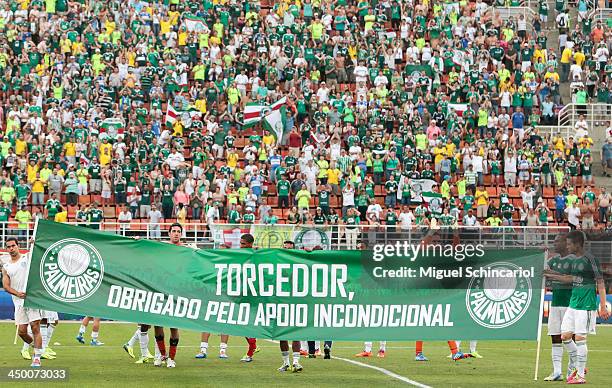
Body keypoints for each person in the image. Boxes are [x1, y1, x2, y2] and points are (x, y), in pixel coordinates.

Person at [544, 231, 609, 384]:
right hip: (573, 304)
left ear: (577, 244)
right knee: (565, 336)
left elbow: (600, 282)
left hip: (585, 305)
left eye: (569, 244)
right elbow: (571, 279)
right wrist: (551, 275)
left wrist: (603, 305)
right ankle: (579, 366)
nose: (567, 246)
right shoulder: (574, 261)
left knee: (580, 338)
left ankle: (580, 374)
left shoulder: (590, 260)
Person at [2, 237, 44, 367]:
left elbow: (37, 252)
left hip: (31, 298)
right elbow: (6, 286)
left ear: (18, 246)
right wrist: (17, 293)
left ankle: (37, 357)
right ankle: (37, 347)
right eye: (8, 247)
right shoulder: (6, 266)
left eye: (13, 246)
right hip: (18, 301)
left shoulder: (27, 258)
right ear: (6, 248)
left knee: (35, 327)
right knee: (21, 332)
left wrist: (34, 242)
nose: (11, 249)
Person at [543, 234, 572, 381]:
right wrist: (541, 256)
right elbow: (542, 270)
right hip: (555, 304)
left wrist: (551, 275)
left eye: (556, 242)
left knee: (570, 337)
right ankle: (557, 371)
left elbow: (570, 280)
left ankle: (574, 369)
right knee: (555, 336)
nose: (554, 244)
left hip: (571, 304)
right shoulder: (553, 260)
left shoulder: (574, 260)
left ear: (565, 243)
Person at [277, 240, 304, 372]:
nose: (287, 250)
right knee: (282, 335)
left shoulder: (299, 264)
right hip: (281, 304)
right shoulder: (277, 264)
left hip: (295, 303)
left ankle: (296, 362)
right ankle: (286, 363)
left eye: (290, 249)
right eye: (285, 248)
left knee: (295, 334)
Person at [239, 233, 259, 363]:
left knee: (245, 322)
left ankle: (252, 348)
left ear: (250, 244)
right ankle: (253, 346)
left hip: (254, 294)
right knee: (241, 323)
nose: (240, 246)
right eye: (240, 243)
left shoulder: (257, 256)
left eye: (243, 244)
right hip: (241, 293)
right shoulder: (239, 256)